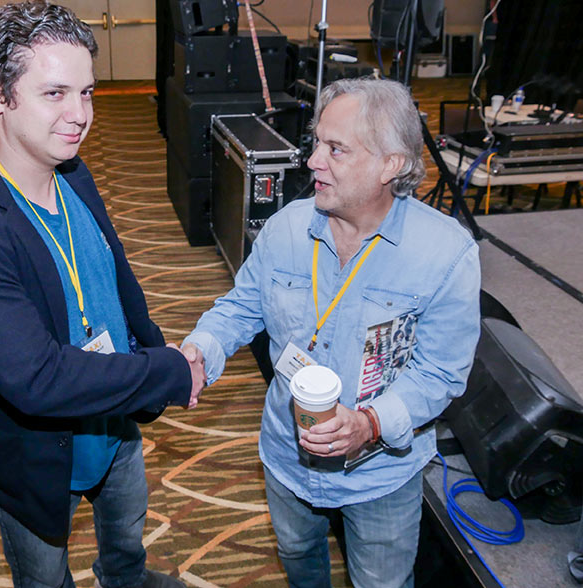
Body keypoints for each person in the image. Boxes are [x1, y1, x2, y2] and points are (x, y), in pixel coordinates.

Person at [0, 2, 203, 587]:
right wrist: (167, 372)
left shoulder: (68, 166)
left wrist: (146, 351)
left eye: (88, 92)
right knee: (46, 576)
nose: (80, 115)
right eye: (55, 94)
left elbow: (116, 278)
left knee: (126, 538)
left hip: (114, 409)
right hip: (35, 450)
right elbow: (37, 379)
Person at [182, 77, 481, 588]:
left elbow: (441, 374)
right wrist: (197, 351)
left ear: (391, 164)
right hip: (285, 452)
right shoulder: (285, 229)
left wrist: (367, 424)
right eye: (316, 143)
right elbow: (240, 308)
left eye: (335, 149)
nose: (313, 160)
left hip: (381, 473)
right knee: (298, 557)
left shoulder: (445, 253)